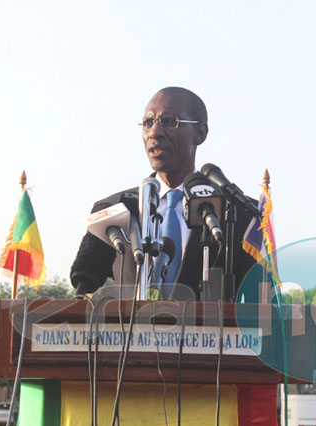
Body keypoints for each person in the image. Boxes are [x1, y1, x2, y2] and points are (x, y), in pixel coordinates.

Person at [70, 86, 257, 301]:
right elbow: (85, 287)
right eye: (148, 123)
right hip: (127, 334)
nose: (155, 132)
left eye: (169, 121)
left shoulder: (238, 213)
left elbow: (260, 304)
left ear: (200, 133)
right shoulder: (114, 209)